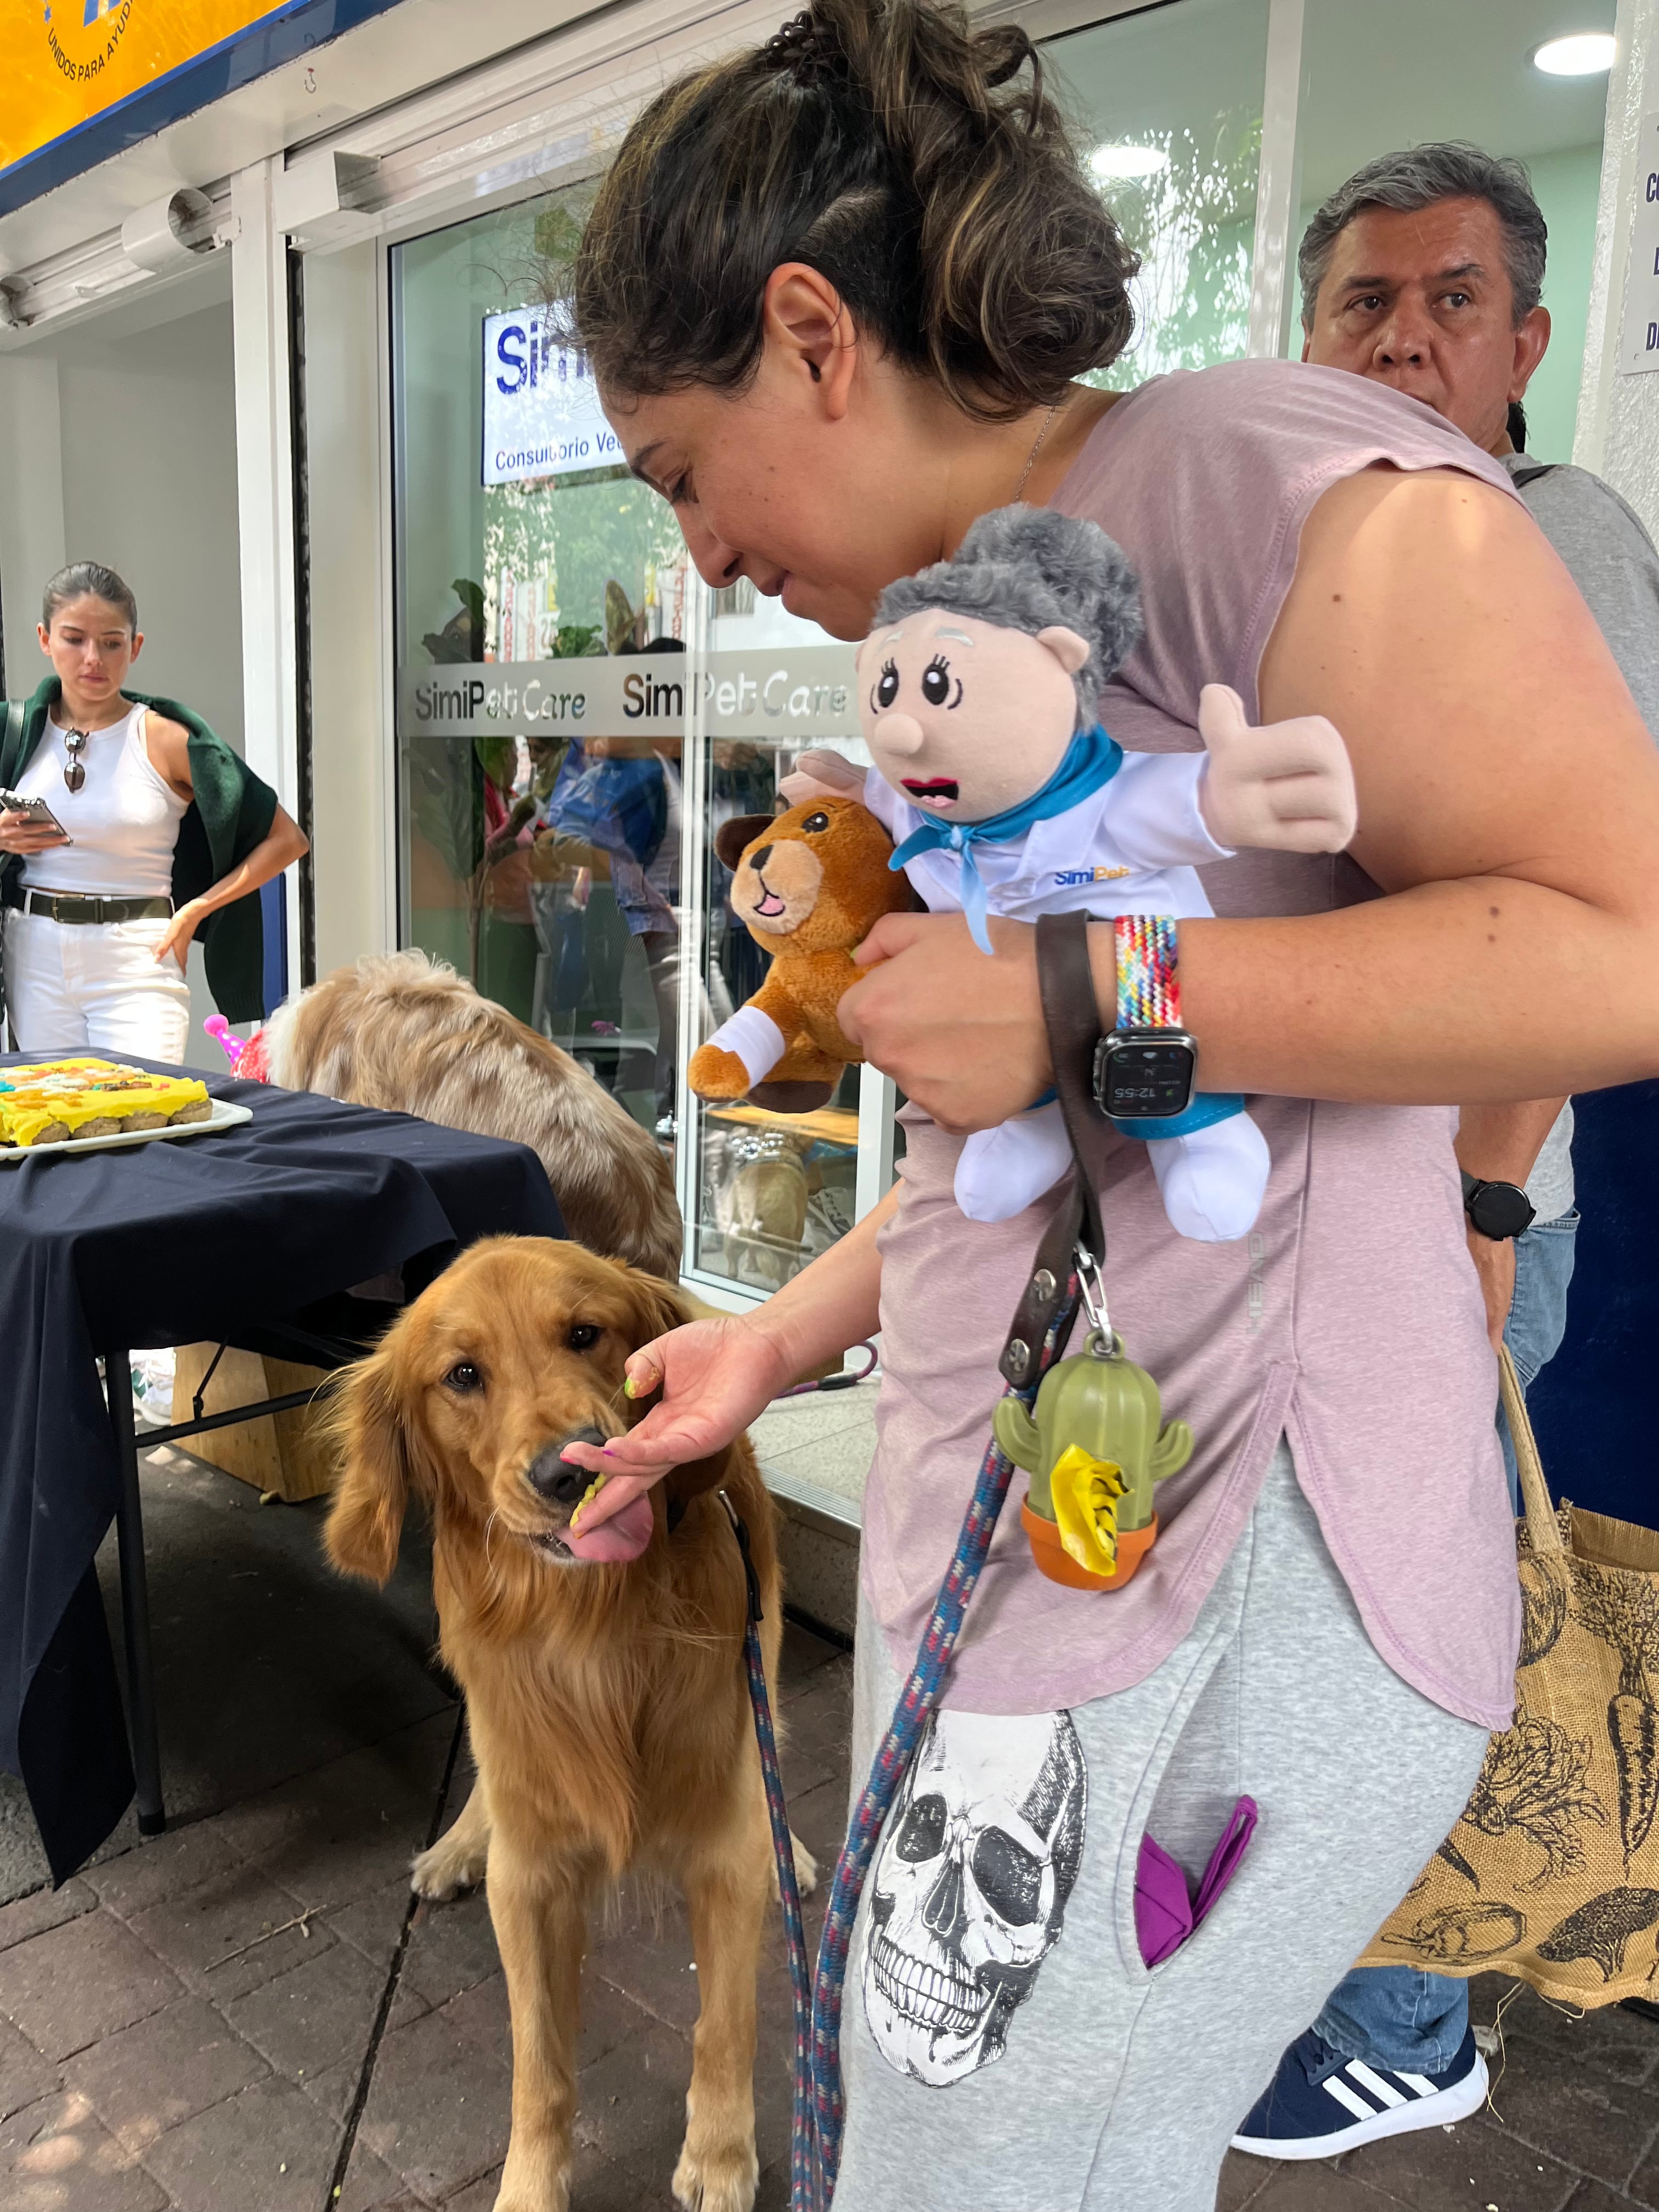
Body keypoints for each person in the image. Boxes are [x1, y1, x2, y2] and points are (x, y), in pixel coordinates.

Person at [550, 7, 1659, 2205]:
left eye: (679, 473)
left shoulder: (1264, 478)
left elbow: (1620, 945)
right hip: (1064, 1556)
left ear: (812, 336)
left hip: (1221, 1594)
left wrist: (1079, 991)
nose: (702, 556)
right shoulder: (976, 637)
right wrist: (779, 1342)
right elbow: (1045, 1158)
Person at [1230, 143, 1659, 2164]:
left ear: (1526, 341)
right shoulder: (1336, 539)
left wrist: (1487, 1202)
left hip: (1459, 1206)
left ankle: (1407, 2023)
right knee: (1333, 1604)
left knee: (1408, 1612)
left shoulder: (1543, 533)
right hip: (1327, 1200)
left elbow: (1596, 924)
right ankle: (1332, 1968)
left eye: (1449, 300)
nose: (1401, 337)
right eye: (1363, 302)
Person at [0, 562, 308, 1061]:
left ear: (135, 647)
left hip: (137, 955)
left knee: (142, 1104)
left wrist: (196, 910)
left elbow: (288, 839)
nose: (93, 658)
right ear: (45, 639)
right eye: (74, 639)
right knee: (56, 1105)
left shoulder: (164, 737)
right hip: (34, 954)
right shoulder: (14, 730)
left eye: (112, 643)